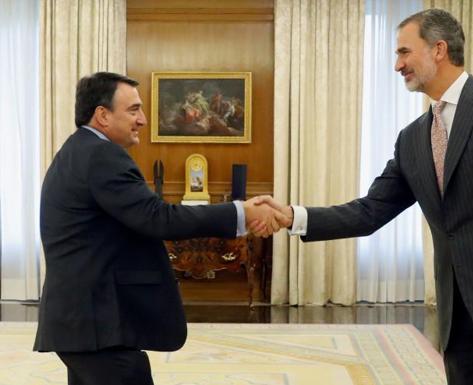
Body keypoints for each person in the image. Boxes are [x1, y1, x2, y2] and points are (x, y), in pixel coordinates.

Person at [256, 9, 473, 385]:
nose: (397, 65)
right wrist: (293, 216)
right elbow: (370, 211)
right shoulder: (413, 138)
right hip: (457, 320)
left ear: (439, 49)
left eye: (404, 52)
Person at [34, 72, 285, 385]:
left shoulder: (80, 150)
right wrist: (241, 212)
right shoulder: (101, 155)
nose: (142, 119)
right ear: (102, 115)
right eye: (133, 109)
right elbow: (158, 218)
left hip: (84, 321)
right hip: (94, 322)